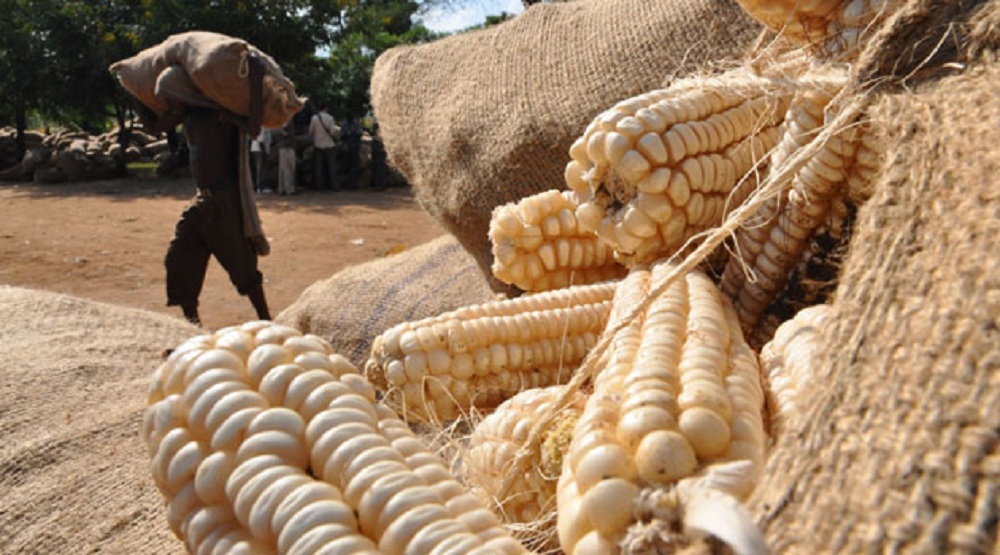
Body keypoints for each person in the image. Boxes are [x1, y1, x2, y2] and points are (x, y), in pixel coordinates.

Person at [133, 57, 272, 326]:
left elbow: (253, 127)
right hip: (202, 200)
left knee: (242, 267)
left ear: (183, 94)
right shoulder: (186, 116)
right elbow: (152, 127)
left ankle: (266, 320)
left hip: (224, 200)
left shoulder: (217, 113)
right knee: (180, 257)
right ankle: (192, 324)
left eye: (171, 99)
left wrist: (255, 79)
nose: (170, 106)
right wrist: (135, 89)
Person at [308, 103, 340, 191]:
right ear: (326, 108)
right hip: (329, 145)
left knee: (318, 168)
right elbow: (332, 132)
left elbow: (311, 132)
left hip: (318, 145)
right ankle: (334, 185)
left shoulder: (314, 118)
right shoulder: (330, 118)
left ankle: (319, 186)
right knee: (331, 167)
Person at [274, 120, 298, 196]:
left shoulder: (279, 120)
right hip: (287, 146)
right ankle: (289, 188)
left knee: (283, 168)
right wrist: (286, 134)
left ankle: (282, 188)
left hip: (282, 145)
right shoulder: (285, 121)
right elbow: (280, 131)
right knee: (289, 167)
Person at [341, 116, 363, 189]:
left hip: (349, 146)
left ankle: (352, 183)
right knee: (352, 165)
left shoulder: (345, 123)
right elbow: (359, 134)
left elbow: (342, 135)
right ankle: (352, 183)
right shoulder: (356, 124)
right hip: (352, 146)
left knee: (351, 165)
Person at [249, 127, 272, 193]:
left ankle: (258, 186)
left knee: (258, 167)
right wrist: (264, 152)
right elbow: (260, 140)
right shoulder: (263, 126)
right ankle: (260, 187)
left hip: (257, 148)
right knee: (260, 168)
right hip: (259, 149)